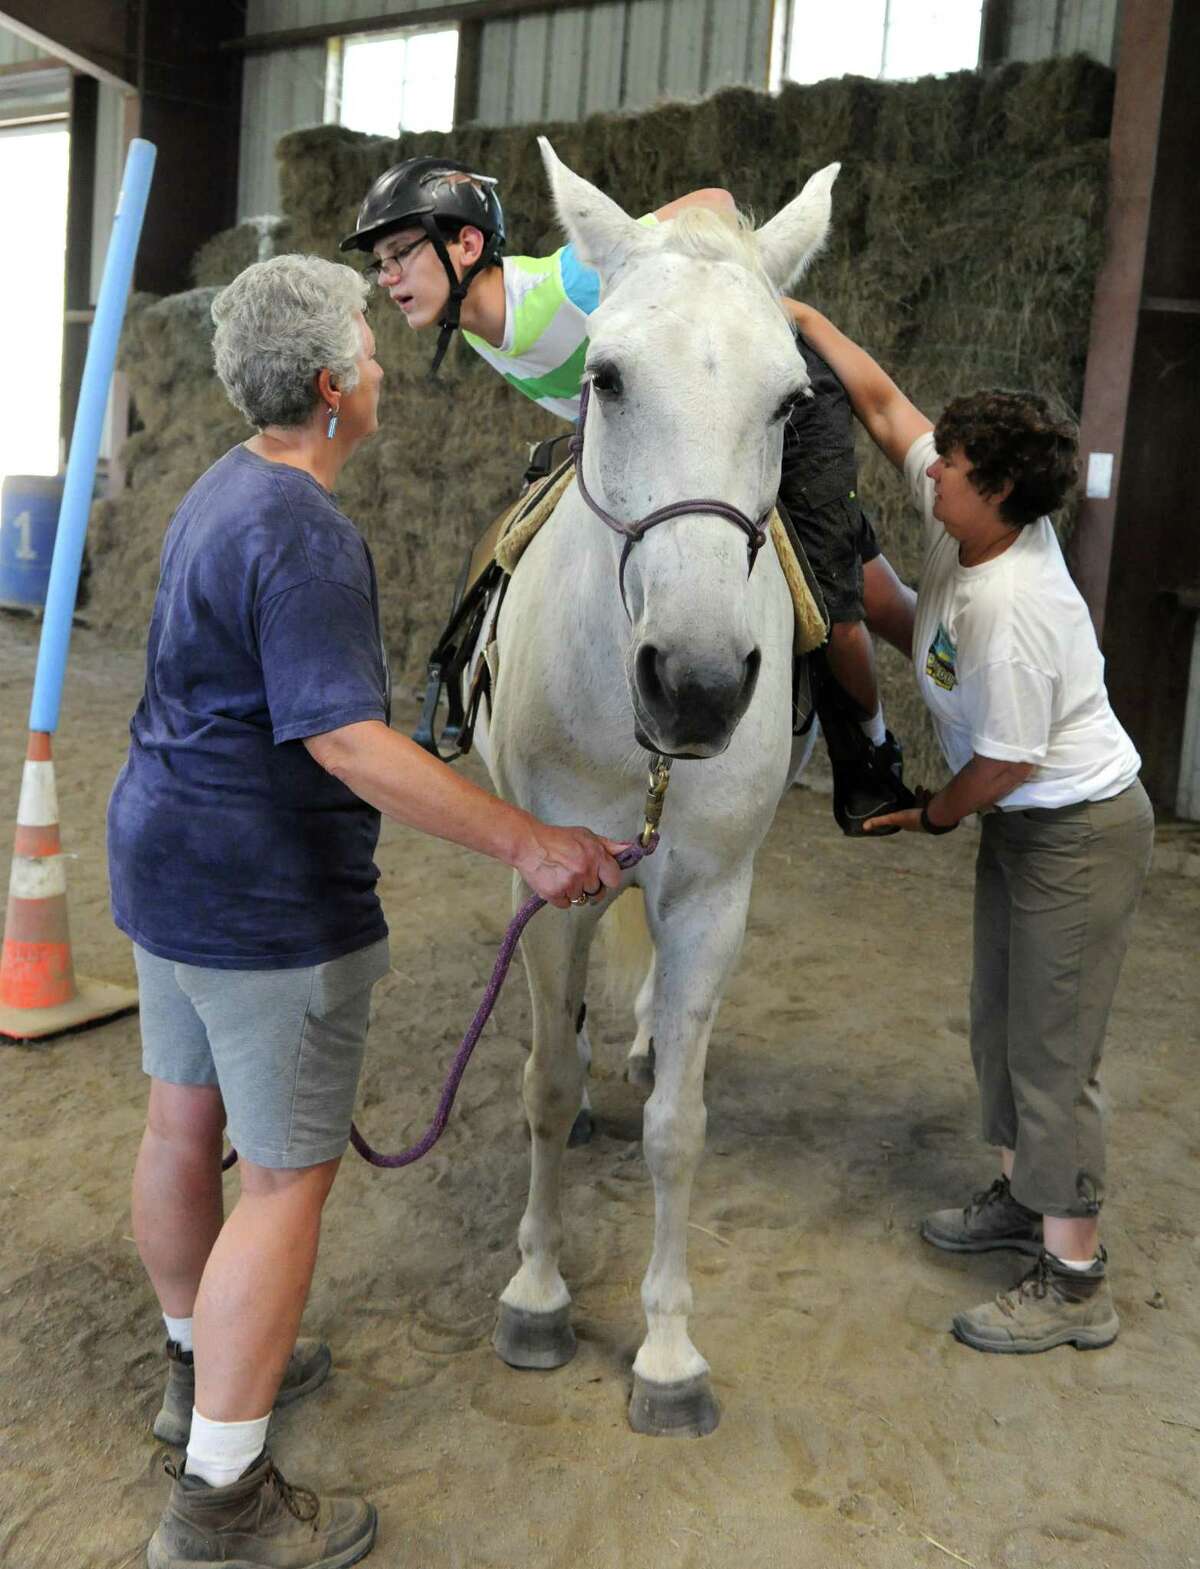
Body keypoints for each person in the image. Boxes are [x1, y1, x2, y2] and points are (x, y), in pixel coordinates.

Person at [108, 254, 626, 1569]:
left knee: (181, 1123)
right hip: (259, 889)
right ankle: (221, 1501)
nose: (386, 366)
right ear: (334, 388)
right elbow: (344, 740)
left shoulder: (222, 486)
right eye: (372, 350)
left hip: (166, 854)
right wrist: (530, 840)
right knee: (284, 1187)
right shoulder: (306, 535)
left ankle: (195, 1373)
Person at [338, 157, 915, 832]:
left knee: (841, 596)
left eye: (401, 254)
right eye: (381, 263)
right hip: (673, 419)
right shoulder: (474, 326)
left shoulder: (562, 285)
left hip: (759, 392)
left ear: (466, 244)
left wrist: (680, 263)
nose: (387, 277)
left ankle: (869, 754)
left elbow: (715, 195)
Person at [789, 301, 1154, 1353]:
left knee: (1053, 1052)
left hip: (1077, 831)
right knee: (999, 1023)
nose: (931, 470)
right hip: (1029, 826)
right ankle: (1020, 1199)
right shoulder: (973, 519)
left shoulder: (1014, 606)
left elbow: (1005, 762)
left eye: (949, 465)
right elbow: (880, 404)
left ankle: (1075, 1281)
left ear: (992, 489)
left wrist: (934, 814)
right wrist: (804, 316)